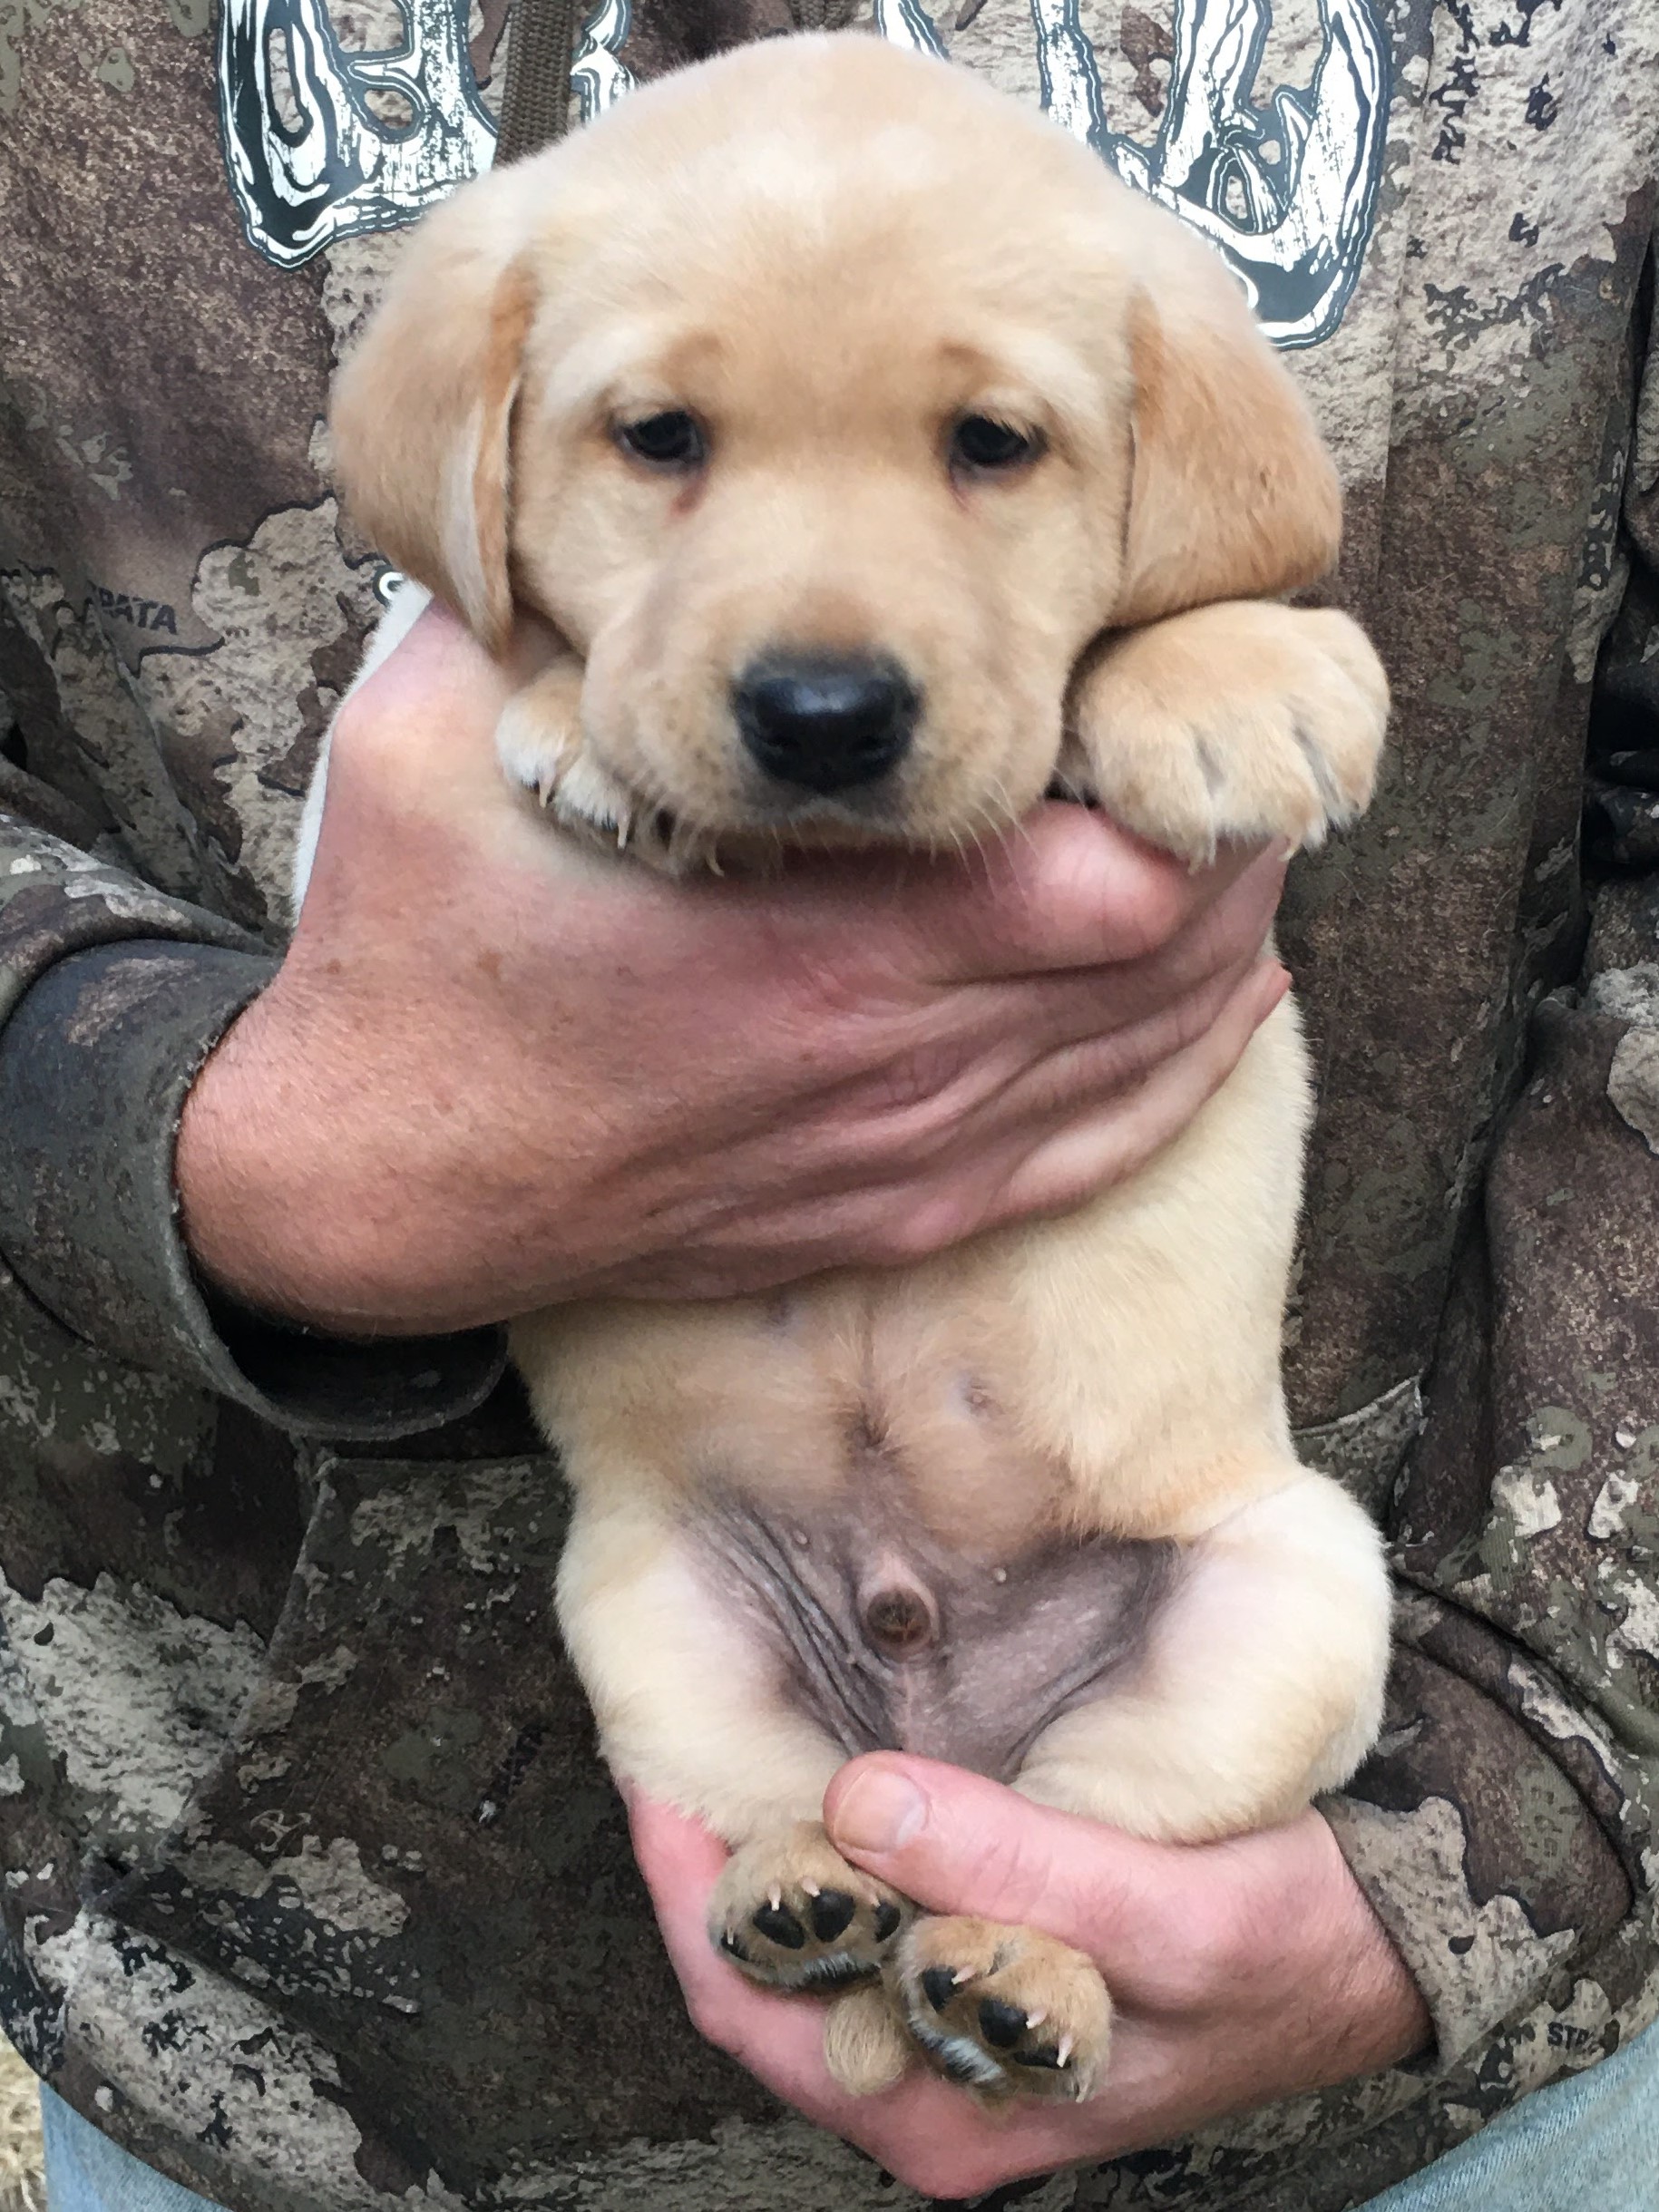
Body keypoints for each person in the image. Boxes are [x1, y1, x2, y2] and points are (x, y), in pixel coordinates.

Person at [0, 3, 1655, 2210]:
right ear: (475, 460)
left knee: (1275, 1602)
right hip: (300, 2045)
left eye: (990, 443)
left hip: (1393, 2074)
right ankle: (825, 1845)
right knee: (669, 1602)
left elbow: (1255, 617)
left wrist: (1515, 1819)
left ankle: (1046, 1887)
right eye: (663, 434)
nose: (822, 652)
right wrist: (174, 1124)